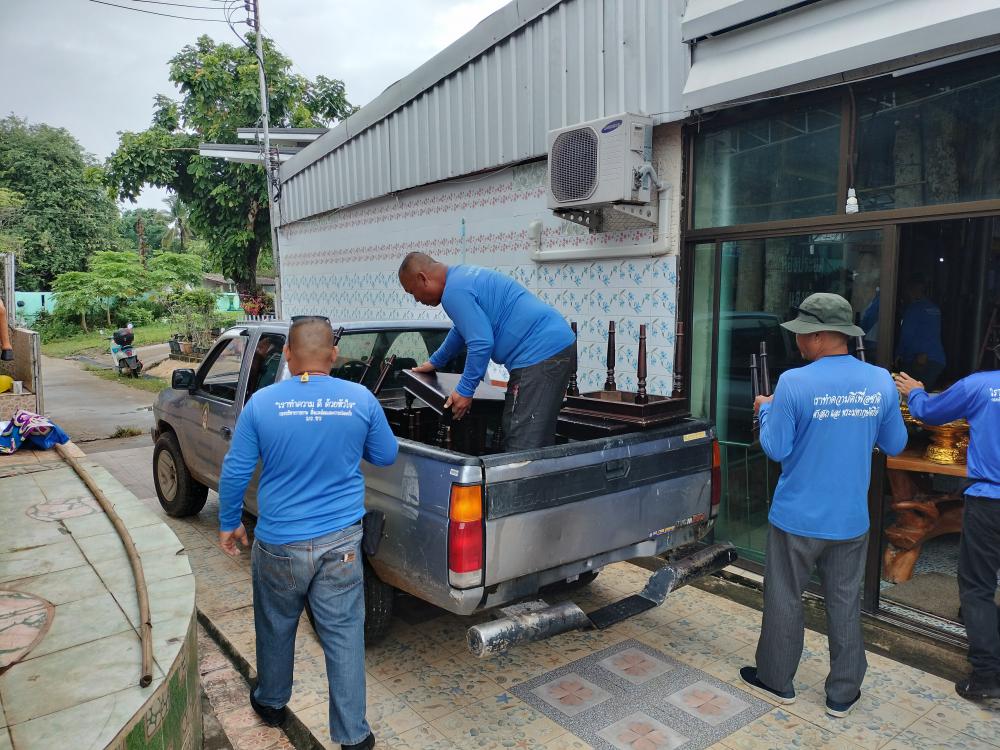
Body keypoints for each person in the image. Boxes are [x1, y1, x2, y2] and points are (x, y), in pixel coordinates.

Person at [217, 316, 399, 750]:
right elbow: (386, 455)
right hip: (341, 544)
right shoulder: (360, 399)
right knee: (344, 634)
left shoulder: (262, 403)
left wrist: (228, 521)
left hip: (279, 543)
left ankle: (271, 702)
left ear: (287, 354)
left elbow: (236, 469)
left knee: (276, 625)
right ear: (334, 355)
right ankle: (354, 736)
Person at [740, 293, 907, 718]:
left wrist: (766, 410)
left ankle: (776, 679)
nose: (797, 341)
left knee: (784, 598)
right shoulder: (880, 381)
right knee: (845, 602)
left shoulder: (794, 383)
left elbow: (776, 448)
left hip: (795, 517)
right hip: (850, 519)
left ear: (817, 336)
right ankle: (843, 693)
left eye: (801, 334)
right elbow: (895, 443)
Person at [397, 252, 576, 450]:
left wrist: (465, 390)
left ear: (423, 278)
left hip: (540, 352)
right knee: (536, 437)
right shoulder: (460, 277)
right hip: (555, 345)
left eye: (412, 292)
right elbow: (461, 329)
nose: (416, 299)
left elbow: (481, 343)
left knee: (521, 442)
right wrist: (435, 362)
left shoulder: (453, 292)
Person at [895, 365, 1000, 700]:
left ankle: (987, 675)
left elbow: (930, 412)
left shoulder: (980, 385)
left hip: (990, 500)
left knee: (977, 585)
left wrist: (915, 391)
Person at [896, 273, 945, 388]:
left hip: (919, 361)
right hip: (937, 359)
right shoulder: (935, 309)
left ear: (911, 290)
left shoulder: (913, 309)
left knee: (910, 393)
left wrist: (899, 354)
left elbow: (906, 335)